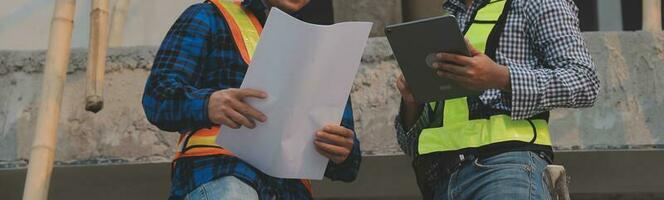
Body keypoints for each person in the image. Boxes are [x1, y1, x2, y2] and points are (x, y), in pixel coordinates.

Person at [141, 0, 360, 199]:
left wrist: (344, 151)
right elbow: (157, 96)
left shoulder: (326, 48)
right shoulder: (209, 16)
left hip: (290, 192)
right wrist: (207, 104)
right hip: (223, 175)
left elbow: (349, 163)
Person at [395, 0, 599, 199]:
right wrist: (412, 103)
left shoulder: (537, 3)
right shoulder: (449, 17)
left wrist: (500, 77)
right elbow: (410, 144)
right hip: (442, 181)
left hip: (507, 169)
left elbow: (584, 81)